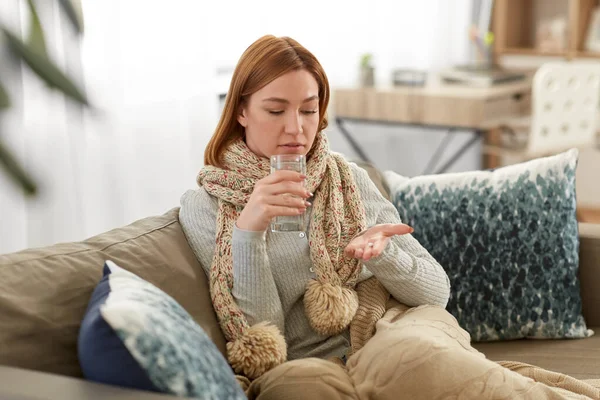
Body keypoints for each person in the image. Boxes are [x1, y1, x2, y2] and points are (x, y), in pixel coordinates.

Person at [180, 36, 583, 400]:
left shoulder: (346, 179)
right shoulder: (205, 207)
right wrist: (249, 232)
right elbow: (265, 339)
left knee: (411, 361)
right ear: (241, 112)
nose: (296, 129)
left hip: (390, 329)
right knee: (299, 389)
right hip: (305, 364)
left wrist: (383, 255)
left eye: (308, 110)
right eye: (275, 109)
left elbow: (436, 294)